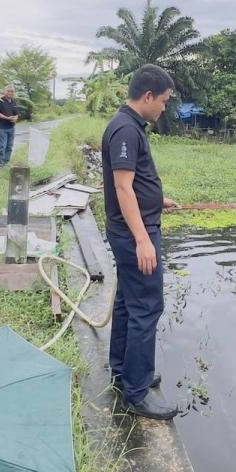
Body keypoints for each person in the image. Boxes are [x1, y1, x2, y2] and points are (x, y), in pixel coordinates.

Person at [103, 64, 179, 420]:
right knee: (147, 306)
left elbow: (132, 184)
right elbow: (121, 186)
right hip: (134, 235)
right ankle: (137, 392)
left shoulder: (130, 126)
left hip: (134, 228)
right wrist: (143, 240)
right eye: (163, 101)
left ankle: (123, 370)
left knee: (127, 303)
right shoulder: (125, 130)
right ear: (148, 96)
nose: (164, 108)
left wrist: (156, 200)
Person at [0, 86, 20, 165]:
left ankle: (6, 162)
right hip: (2, 128)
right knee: (2, 147)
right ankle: (0, 163)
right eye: (8, 91)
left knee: (9, 146)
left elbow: (17, 113)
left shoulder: (13, 102)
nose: (10, 93)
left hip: (11, 128)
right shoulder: (0, 101)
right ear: (5, 91)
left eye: (12, 91)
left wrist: (15, 118)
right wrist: (6, 118)